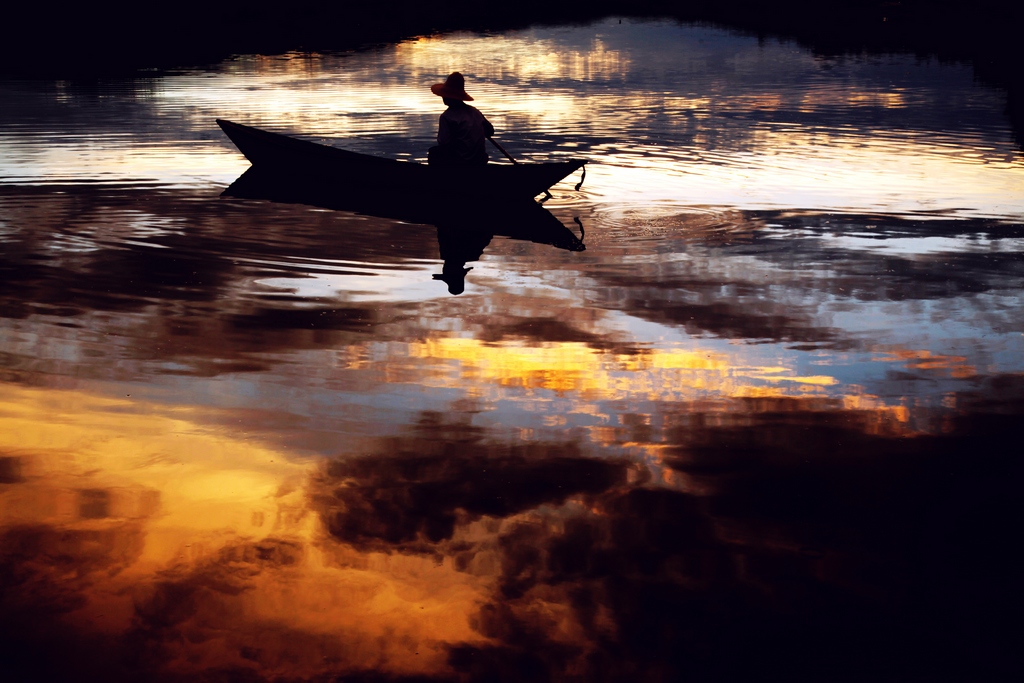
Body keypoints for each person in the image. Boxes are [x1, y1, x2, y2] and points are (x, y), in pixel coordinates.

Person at [428, 72, 494, 167]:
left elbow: (444, 144)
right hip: (479, 160)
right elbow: (490, 131)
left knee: (433, 152)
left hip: (460, 162)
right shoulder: (475, 112)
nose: (442, 97)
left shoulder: (447, 117)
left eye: (444, 95)